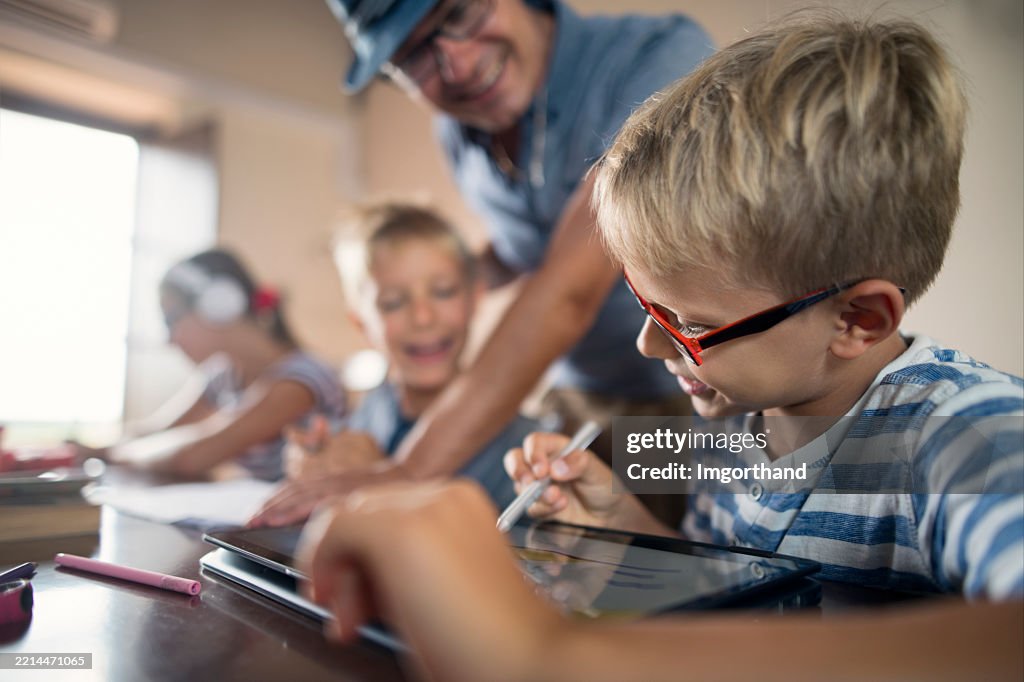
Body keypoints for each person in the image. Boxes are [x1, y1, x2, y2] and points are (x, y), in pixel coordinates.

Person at [294, 13, 1023, 680]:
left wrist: (548, 656)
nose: (648, 342)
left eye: (689, 321)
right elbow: (726, 597)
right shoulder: (732, 433)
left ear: (857, 319)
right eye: (645, 305)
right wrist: (618, 528)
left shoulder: (967, 436)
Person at [252, 0, 716, 526]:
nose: (459, 66)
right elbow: (529, 247)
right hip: (575, 400)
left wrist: (409, 470)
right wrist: (438, 285)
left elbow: (569, 288)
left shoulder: (653, 60)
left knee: (678, 577)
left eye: (459, 13)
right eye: (413, 57)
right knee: (573, 576)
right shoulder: (457, 135)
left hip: (688, 396)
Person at [271, 201, 541, 510]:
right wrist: (313, 460)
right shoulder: (373, 408)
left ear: (475, 299)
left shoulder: (524, 449)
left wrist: (376, 478)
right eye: (393, 302)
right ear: (361, 323)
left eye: (443, 291)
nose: (423, 317)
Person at [77, 249, 346, 480]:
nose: (169, 339)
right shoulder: (223, 376)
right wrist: (90, 449)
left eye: (172, 319)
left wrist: (117, 454)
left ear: (219, 305)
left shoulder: (301, 381)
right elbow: (159, 430)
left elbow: (192, 457)